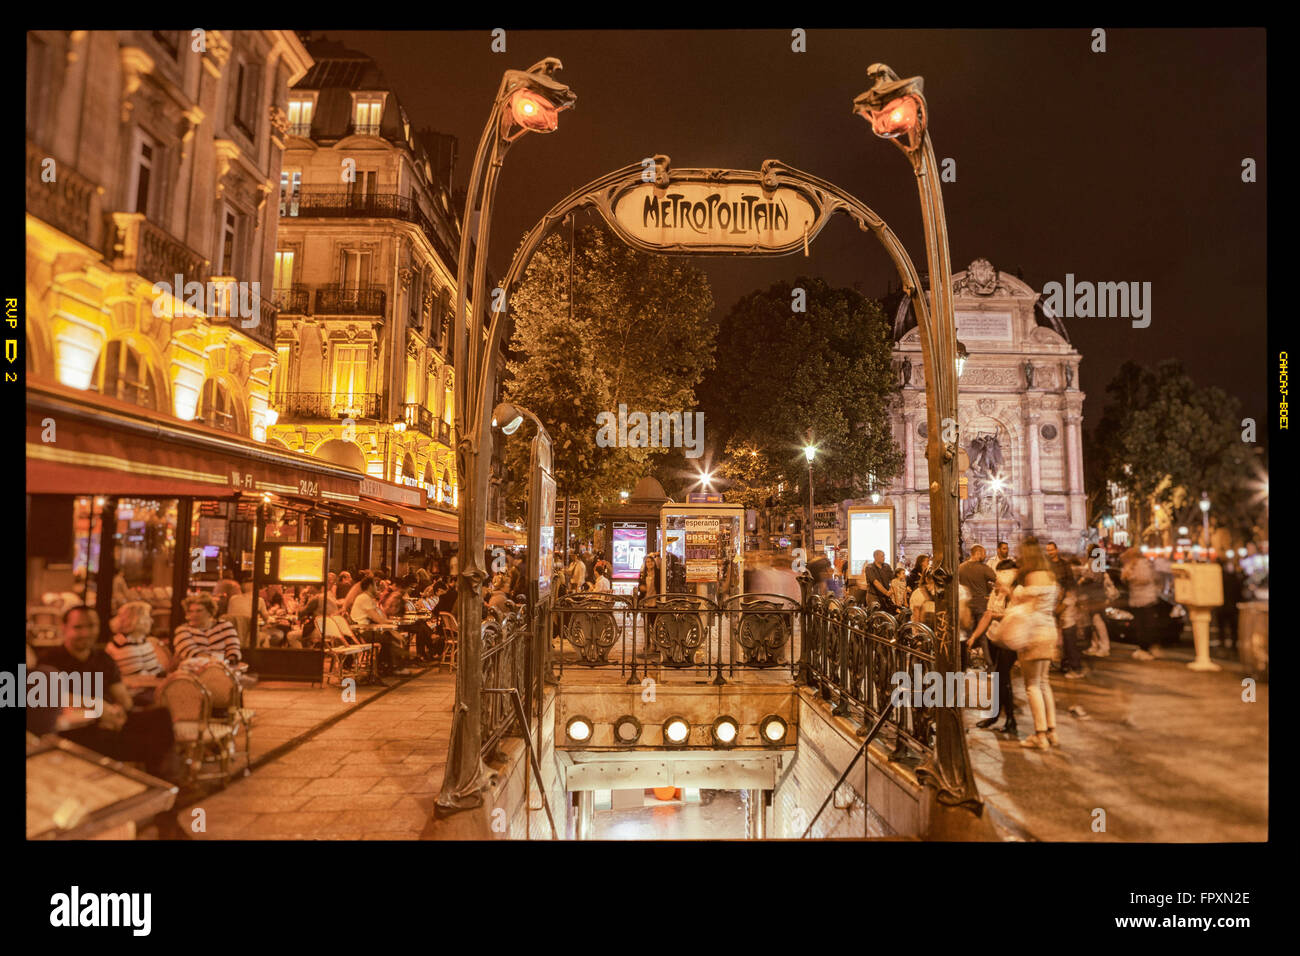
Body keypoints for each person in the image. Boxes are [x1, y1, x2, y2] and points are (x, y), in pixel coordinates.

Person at [41, 606, 177, 781]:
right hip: (74, 732)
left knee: (160, 716)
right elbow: (49, 696)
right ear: (64, 628)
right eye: (78, 627)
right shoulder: (50, 660)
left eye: (91, 626)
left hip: (109, 726)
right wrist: (99, 710)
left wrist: (117, 713)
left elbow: (123, 699)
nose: (86, 633)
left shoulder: (103, 659)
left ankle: (162, 786)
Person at [1005, 538, 1061, 750]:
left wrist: (1008, 590)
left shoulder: (1031, 577)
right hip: (1050, 630)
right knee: (1045, 682)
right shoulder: (1050, 576)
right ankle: (1052, 731)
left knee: (1032, 685)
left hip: (1034, 632)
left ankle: (1039, 734)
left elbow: (1024, 606)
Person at [974, 558, 1020, 736]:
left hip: (1010, 638)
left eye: (1004, 573)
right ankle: (996, 716)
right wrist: (975, 636)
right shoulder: (996, 591)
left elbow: (1013, 614)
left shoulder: (1017, 591)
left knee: (1003, 678)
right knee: (998, 678)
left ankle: (1009, 719)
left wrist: (1007, 595)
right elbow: (989, 611)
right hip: (993, 637)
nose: (1000, 577)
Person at [171, 594, 241, 668]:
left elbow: (233, 649)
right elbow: (193, 654)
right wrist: (215, 663)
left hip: (225, 668)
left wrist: (230, 661)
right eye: (190, 611)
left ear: (209, 611)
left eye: (199, 611)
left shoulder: (225, 626)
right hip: (195, 670)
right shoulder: (182, 631)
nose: (194, 615)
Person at [106, 601, 166, 680]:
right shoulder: (124, 646)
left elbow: (157, 670)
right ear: (137, 620)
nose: (152, 621)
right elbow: (137, 680)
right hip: (141, 690)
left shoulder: (141, 641)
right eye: (148, 617)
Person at [1121, 548, 1161, 660]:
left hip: (1145, 600)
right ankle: (1146, 648)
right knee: (1141, 626)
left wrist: (1130, 577)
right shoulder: (1133, 565)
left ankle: (1145, 649)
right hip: (1138, 599)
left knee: (1144, 626)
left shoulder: (1142, 564)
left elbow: (1144, 578)